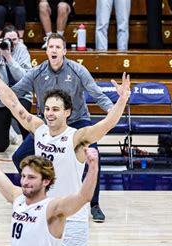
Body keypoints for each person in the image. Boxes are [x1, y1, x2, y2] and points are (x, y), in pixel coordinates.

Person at [0, 43, 130, 246]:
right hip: (44, 212)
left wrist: (122, 100)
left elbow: (107, 124)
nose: (49, 114)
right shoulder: (39, 129)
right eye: (46, 109)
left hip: (73, 216)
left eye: (55, 109)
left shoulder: (77, 137)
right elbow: (11, 101)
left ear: (67, 112)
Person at [0, 115, 99, 246]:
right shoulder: (17, 197)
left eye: (32, 178)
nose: (25, 182)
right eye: (24, 176)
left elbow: (83, 197)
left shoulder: (52, 208)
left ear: (46, 181)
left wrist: (93, 168)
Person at [13, 33, 114, 223]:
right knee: (19, 156)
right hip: (49, 124)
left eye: (58, 47)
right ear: (47, 50)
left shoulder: (77, 70)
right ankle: (36, 193)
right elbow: (15, 91)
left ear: (64, 51)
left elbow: (97, 93)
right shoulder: (37, 72)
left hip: (77, 122)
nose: (54, 50)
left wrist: (111, 109)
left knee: (92, 158)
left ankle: (94, 204)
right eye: (51, 47)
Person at [0, 25, 32, 152]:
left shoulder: (22, 50)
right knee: (0, 147)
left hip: (19, 96)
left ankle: (13, 123)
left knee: (28, 139)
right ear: (1, 39)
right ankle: (8, 128)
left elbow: (23, 77)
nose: (11, 43)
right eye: (8, 39)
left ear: (19, 40)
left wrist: (9, 58)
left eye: (14, 39)